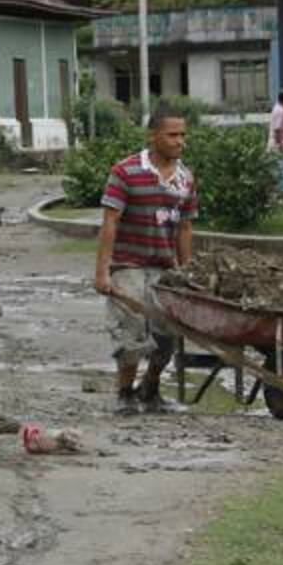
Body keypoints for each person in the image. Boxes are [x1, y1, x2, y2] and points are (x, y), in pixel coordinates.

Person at [94, 106, 198, 415]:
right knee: (130, 330)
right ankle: (125, 392)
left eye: (183, 135)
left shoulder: (185, 179)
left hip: (164, 266)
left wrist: (187, 273)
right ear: (153, 136)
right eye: (172, 135)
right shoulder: (125, 171)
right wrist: (103, 272)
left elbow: (185, 228)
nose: (180, 141)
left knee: (168, 334)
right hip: (128, 264)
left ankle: (150, 388)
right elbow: (110, 222)